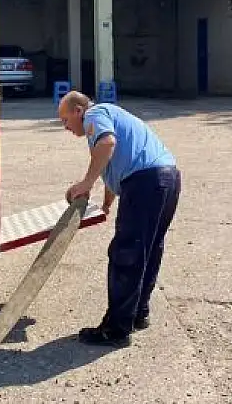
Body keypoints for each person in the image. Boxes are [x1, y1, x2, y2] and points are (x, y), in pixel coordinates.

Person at [57, 90, 182, 347]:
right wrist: (105, 204)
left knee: (126, 253)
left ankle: (115, 329)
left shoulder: (95, 114)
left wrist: (86, 183)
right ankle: (137, 314)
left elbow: (107, 145)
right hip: (167, 178)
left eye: (65, 120)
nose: (65, 127)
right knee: (148, 248)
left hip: (145, 182)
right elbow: (114, 168)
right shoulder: (111, 115)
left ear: (78, 111)